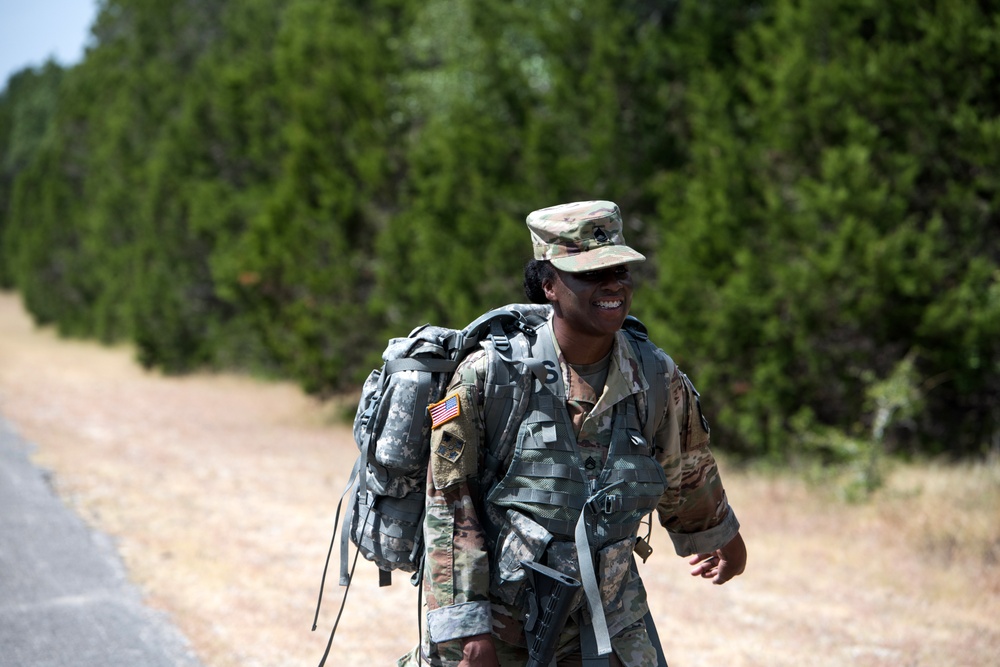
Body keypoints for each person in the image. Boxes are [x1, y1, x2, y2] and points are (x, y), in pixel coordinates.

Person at [399, 200, 746, 666]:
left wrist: (718, 533)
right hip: (504, 624)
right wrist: (467, 628)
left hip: (610, 620)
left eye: (620, 271)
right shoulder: (490, 376)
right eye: (589, 274)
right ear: (549, 285)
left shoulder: (654, 374)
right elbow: (450, 505)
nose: (612, 285)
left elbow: (685, 465)